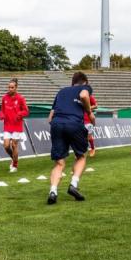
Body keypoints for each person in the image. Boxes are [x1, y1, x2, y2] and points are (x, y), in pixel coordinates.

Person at [46, 72, 95, 205]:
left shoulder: (61, 91)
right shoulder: (85, 88)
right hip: (74, 123)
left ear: (72, 82)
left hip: (56, 124)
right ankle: (73, 184)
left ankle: (53, 191)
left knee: (59, 163)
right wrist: (89, 112)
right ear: (85, 82)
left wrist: (59, 126)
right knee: (81, 156)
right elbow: (84, 95)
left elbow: (50, 117)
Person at [0, 78, 29, 173]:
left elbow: (26, 111)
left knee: (14, 145)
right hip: (7, 125)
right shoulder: (4, 98)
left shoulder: (20, 98)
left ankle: (15, 165)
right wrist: (2, 115)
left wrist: (19, 114)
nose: (10, 89)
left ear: (16, 88)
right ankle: (14, 158)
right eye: (9, 87)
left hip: (16, 126)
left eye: (12, 87)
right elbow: (2, 110)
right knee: (6, 146)